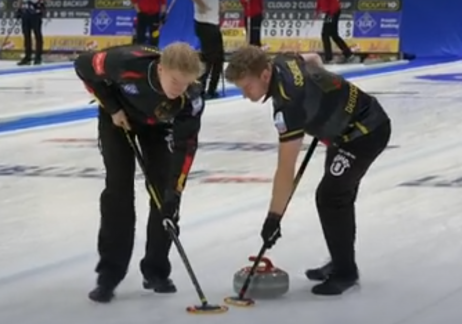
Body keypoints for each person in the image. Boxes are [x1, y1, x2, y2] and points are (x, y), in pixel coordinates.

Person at [224, 46, 391, 296]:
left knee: (331, 197)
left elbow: (285, 168)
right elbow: (313, 59)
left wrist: (273, 217)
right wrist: (326, 97)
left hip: (366, 132)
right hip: (345, 130)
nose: (245, 95)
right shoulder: (282, 60)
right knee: (337, 197)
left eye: (247, 87)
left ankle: (345, 272)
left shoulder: (289, 105)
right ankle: (341, 260)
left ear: (265, 75)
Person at [74, 43, 205, 303]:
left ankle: (156, 270)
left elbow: (186, 146)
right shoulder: (124, 63)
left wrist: (174, 193)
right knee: (118, 192)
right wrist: (112, 107)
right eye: (175, 81)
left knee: (165, 197)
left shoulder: (192, 97)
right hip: (119, 120)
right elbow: (82, 66)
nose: (179, 90)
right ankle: (109, 275)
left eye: (186, 83)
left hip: (158, 128)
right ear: (160, 68)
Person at [192, 0, 224, 99]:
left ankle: (211, 89)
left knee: (218, 58)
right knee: (209, 58)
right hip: (205, 22)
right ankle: (201, 90)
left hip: (212, 22)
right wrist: (202, 5)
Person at [16, 0, 45, 65]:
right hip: (25, 13)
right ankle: (27, 56)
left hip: (36, 13)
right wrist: (19, 9)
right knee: (26, 35)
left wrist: (41, 4)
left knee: (37, 35)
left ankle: (38, 57)